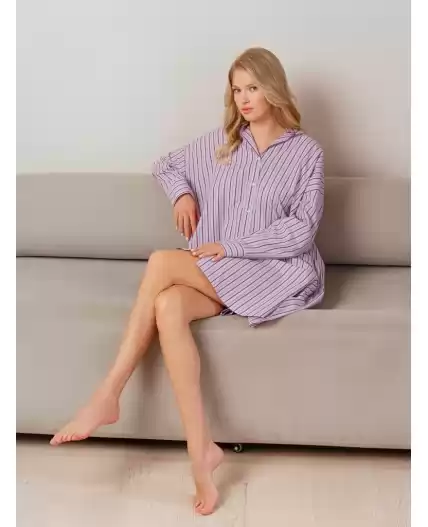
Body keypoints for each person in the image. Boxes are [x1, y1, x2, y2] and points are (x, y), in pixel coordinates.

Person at [49, 47, 325, 515]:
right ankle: (202, 452)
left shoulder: (305, 152)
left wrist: (231, 246)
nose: (243, 98)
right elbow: (166, 164)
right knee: (168, 306)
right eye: (236, 89)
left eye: (253, 88)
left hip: (275, 269)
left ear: (273, 88)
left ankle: (108, 392)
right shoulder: (223, 143)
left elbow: (301, 230)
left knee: (162, 262)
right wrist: (182, 195)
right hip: (222, 269)